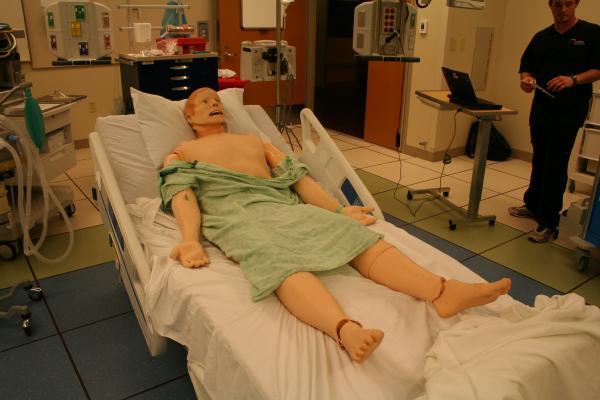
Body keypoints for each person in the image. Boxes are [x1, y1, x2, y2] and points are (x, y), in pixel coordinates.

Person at [159, 87, 511, 363]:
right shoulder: (183, 152)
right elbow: (181, 194)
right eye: (204, 100)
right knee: (275, 255)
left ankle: (441, 291)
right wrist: (190, 239)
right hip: (237, 214)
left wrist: (337, 211)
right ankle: (345, 331)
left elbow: (298, 178)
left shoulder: (254, 141)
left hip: (281, 204)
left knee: (353, 234)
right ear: (189, 116)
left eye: (217, 99)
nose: (214, 102)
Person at [509, 0, 600, 243]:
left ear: (576, 3)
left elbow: (598, 69)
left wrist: (573, 79)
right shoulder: (541, 37)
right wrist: (526, 81)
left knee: (555, 164)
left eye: (568, 4)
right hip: (542, 109)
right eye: (558, 5)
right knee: (539, 159)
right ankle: (533, 205)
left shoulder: (591, 33)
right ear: (550, 5)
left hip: (569, 111)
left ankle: (549, 221)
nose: (563, 10)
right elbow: (526, 68)